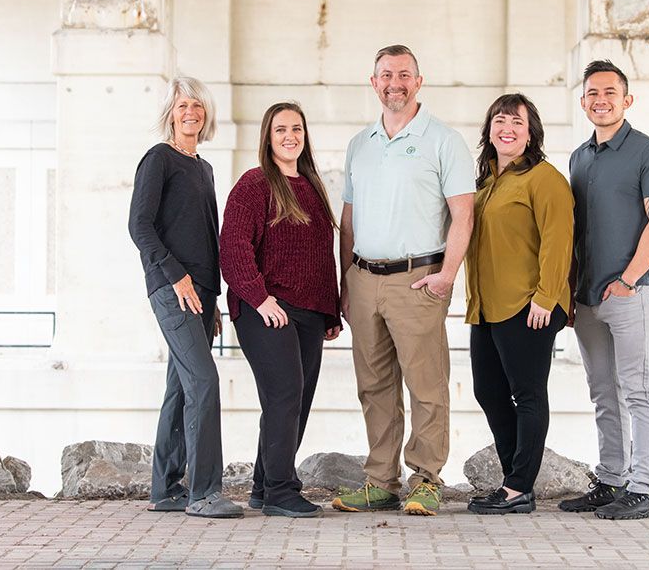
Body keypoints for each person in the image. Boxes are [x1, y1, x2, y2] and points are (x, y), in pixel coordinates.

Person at [332, 44, 475, 516]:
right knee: (374, 387)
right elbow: (348, 221)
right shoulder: (360, 144)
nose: (395, 83)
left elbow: (463, 215)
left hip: (418, 280)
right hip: (364, 279)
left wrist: (447, 276)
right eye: (386, 75)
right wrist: (344, 283)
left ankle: (426, 479)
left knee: (426, 385)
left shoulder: (444, 140)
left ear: (419, 81)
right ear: (373, 82)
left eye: (404, 74)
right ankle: (380, 482)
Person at [559, 60, 649, 521]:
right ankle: (611, 480)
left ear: (627, 100)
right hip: (587, 298)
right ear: (583, 100)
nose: (600, 99)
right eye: (592, 92)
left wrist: (628, 280)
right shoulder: (578, 158)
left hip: (632, 292)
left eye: (610, 92)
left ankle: (644, 489)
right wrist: (571, 293)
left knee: (639, 390)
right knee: (602, 391)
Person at [220, 102, 342, 519]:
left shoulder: (311, 184)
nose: (290, 136)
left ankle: (261, 484)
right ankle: (280, 491)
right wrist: (259, 298)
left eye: (296, 128)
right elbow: (233, 249)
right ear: (267, 138)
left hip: (309, 311)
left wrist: (330, 313)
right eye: (280, 130)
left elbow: (321, 255)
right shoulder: (254, 185)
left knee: (296, 399)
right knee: (285, 392)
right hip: (265, 308)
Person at [128, 76, 242, 519]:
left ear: (206, 113)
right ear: (170, 115)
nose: (190, 112)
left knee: (179, 388)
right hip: (173, 288)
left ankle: (166, 489)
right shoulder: (158, 160)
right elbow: (140, 227)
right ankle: (204, 493)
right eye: (181, 106)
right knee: (204, 382)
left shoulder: (204, 168)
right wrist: (176, 278)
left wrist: (212, 300)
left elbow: (207, 239)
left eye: (197, 105)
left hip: (201, 295)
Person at [464, 93, 574, 515]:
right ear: (489, 130)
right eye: (499, 121)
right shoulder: (488, 181)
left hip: (529, 304)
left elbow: (558, 241)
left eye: (516, 122)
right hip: (487, 306)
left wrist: (547, 297)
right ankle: (513, 477)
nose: (506, 129)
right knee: (488, 392)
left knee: (527, 394)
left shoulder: (544, 179)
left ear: (531, 134)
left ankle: (518, 488)